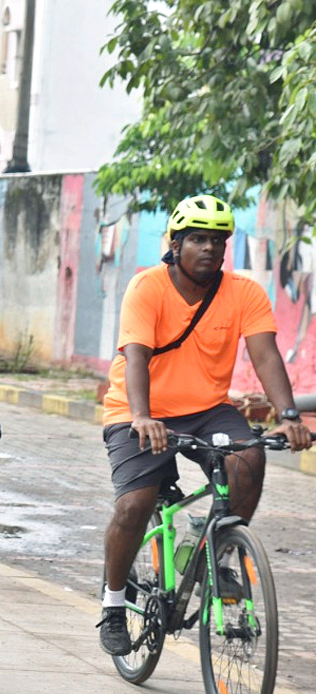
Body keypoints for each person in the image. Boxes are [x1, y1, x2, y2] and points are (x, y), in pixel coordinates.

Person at [97, 194, 312, 656]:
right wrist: (141, 415)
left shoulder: (244, 292)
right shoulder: (147, 287)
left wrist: (289, 416)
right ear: (175, 244)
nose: (209, 249)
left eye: (218, 240)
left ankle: (221, 547)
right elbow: (136, 355)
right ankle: (114, 603)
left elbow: (266, 355)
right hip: (138, 409)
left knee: (249, 459)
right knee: (135, 504)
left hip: (207, 408)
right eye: (197, 239)